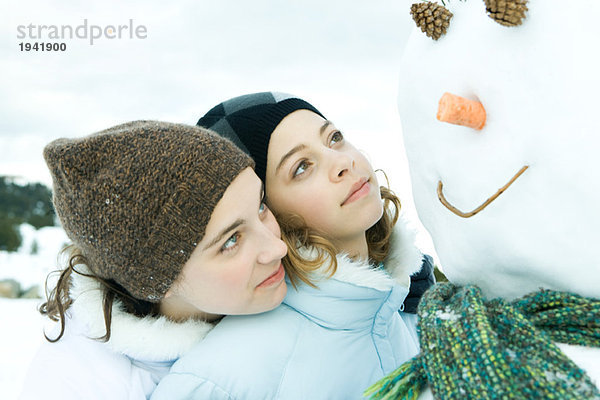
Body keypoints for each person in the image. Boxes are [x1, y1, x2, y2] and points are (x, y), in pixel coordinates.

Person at [151, 93, 435, 399]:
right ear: (263, 210)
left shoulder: (420, 299)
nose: (342, 161)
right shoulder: (219, 379)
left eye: (334, 137)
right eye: (301, 167)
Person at [20, 121, 288, 400]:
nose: (278, 247)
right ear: (158, 279)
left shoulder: (299, 286)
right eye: (231, 240)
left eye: (260, 206)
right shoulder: (75, 384)